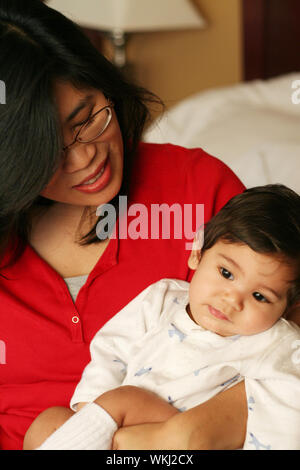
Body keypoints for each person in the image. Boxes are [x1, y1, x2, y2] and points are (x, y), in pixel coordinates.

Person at [0, 0, 297, 451]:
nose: (86, 159)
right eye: (50, 153)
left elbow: (288, 351)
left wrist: (188, 434)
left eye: (88, 118)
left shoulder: (197, 187)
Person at [24, 184, 300, 451]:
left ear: (288, 307)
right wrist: (90, 414)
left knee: (125, 400)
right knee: (48, 423)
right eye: (226, 273)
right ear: (197, 252)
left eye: (260, 297)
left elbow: (284, 418)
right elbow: (112, 349)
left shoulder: (278, 343)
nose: (232, 300)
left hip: (178, 435)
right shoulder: (163, 297)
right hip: (112, 422)